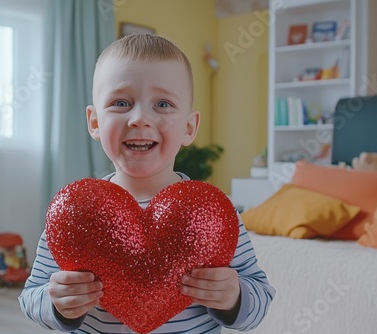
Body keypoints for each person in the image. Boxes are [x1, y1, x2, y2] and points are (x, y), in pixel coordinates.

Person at [19, 33, 275, 333]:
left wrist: (235, 297)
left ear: (189, 127)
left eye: (163, 104)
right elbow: (31, 295)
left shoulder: (216, 215)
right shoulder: (75, 215)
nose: (140, 118)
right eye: (121, 102)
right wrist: (57, 303)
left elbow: (260, 296)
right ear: (95, 122)